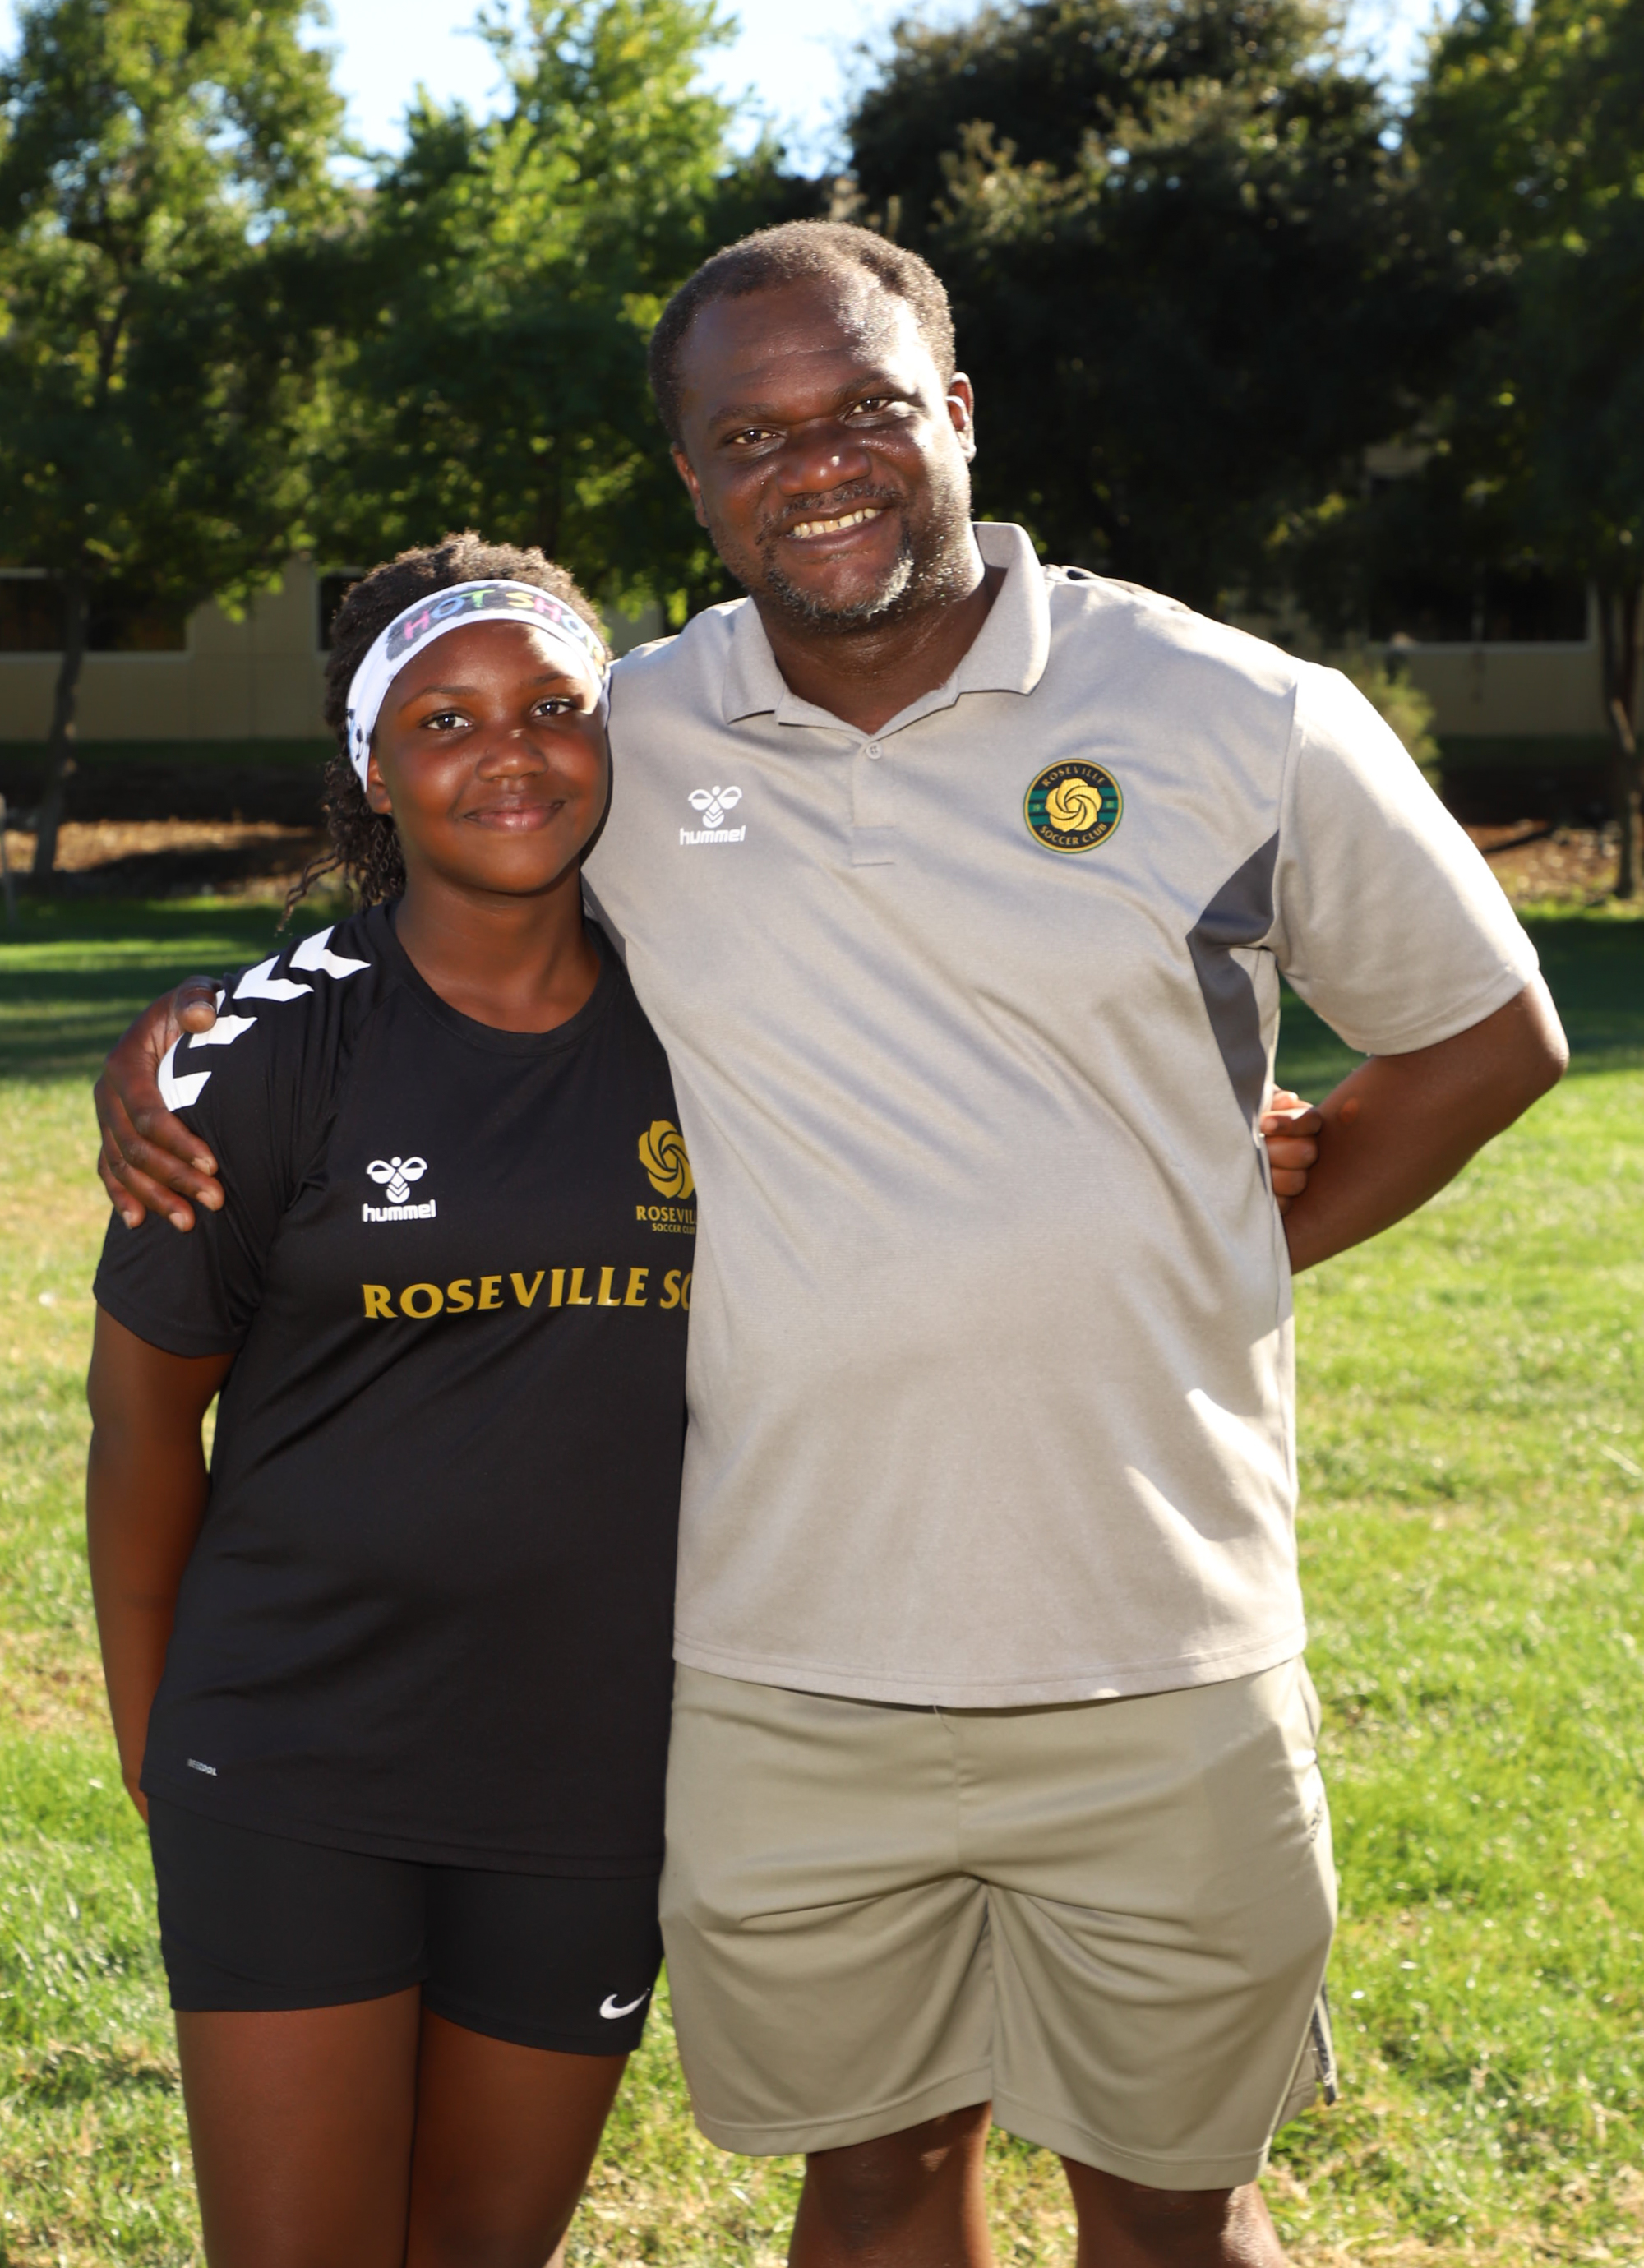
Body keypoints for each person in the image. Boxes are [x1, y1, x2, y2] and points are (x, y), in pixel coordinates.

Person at [94, 222, 1568, 2268]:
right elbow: (444, 870)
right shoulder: (638, 730)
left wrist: (1218, 1229)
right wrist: (180, 1039)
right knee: (871, 2178)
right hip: (776, 1659)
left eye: (864, 407)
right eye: (751, 434)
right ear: (694, 482)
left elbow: (1491, 1037)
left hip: (1158, 1641)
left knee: (1175, 2201)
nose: (816, 465)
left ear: (954, 410)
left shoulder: (1235, 707)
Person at [86, 539, 695, 2268]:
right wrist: (155, 1735)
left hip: (597, 1761)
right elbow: (143, 1425)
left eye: (553, 707)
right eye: (445, 719)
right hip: (294, 1752)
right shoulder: (261, 1050)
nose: (511, 753)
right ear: (372, 769)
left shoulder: (716, 1019)